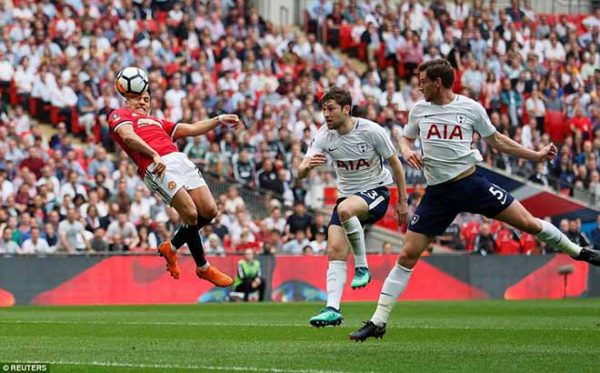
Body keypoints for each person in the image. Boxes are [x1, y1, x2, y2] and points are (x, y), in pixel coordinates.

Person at [349, 59, 600, 342]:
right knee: (407, 254)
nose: (418, 86)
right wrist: (407, 150)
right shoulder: (419, 110)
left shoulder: (470, 108)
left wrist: (536, 155)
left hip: (471, 184)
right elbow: (404, 139)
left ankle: (578, 251)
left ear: (438, 82)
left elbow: (498, 141)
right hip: (438, 194)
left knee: (528, 223)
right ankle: (378, 321)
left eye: (422, 81)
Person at [108, 86, 242, 287]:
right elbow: (128, 137)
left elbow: (191, 128)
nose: (142, 102)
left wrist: (219, 120)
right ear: (126, 102)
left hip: (180, 160)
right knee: (190, 214)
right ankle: (203, 267)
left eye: (146, 99)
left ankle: (171, 247)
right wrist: (153, 154)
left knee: (210, 210)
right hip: (156, 165)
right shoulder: (120, 115)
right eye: (137, 98)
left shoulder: (158, 122)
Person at [297, 86, 408, 327]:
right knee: (335, 250)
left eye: (331, 109)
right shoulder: (324, 135)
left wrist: (403, 201)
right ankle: (332, 308)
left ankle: (362, 267)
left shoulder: (371, 131)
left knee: (345, 210)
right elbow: (300, 171)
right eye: (323, 109)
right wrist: (306, 167)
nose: (325, 115)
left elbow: (395, 164)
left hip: (377, 192)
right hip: (347, 197)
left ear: (346, 109)